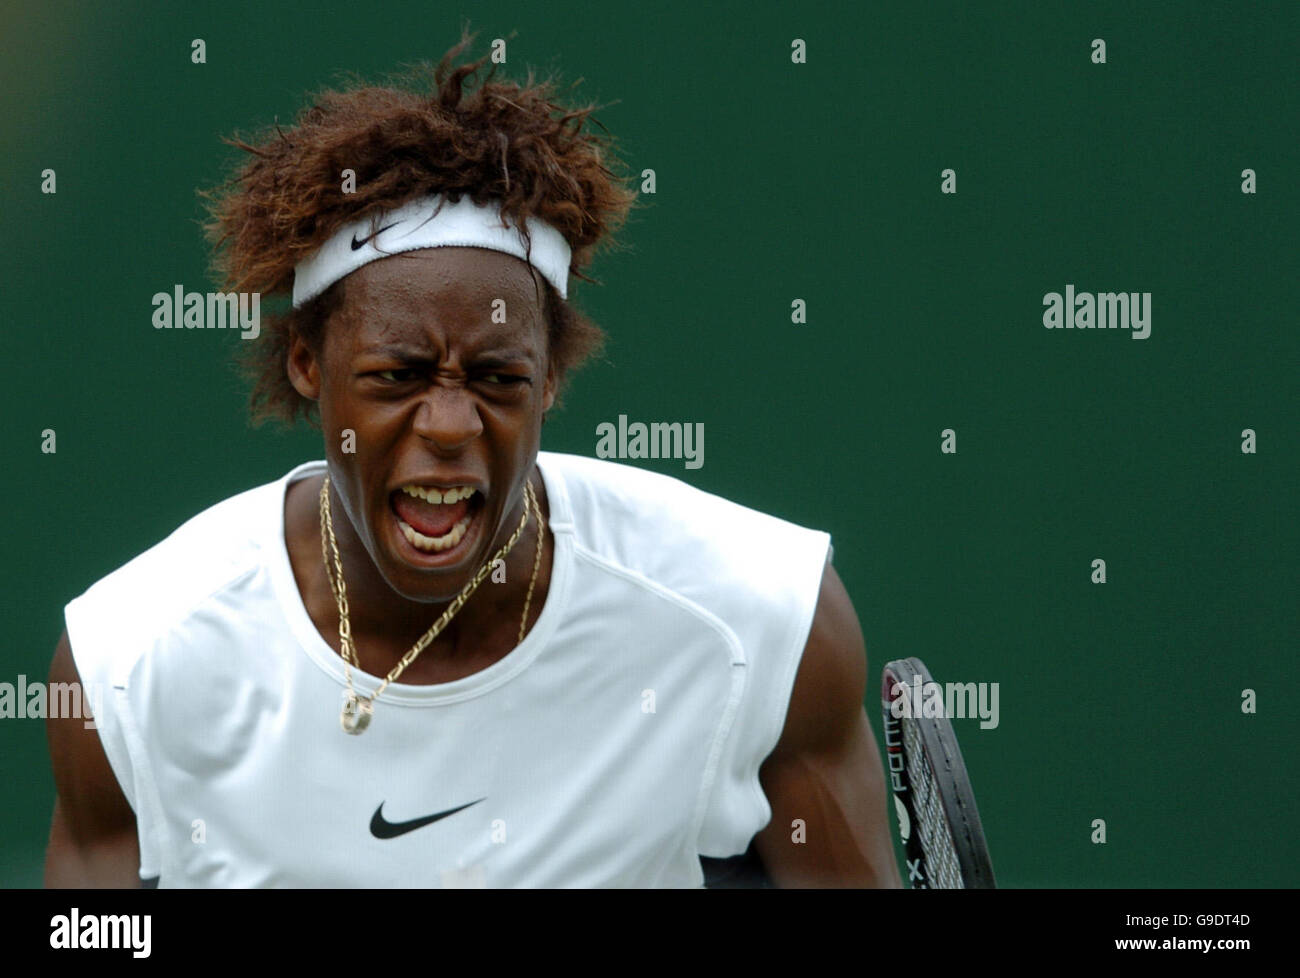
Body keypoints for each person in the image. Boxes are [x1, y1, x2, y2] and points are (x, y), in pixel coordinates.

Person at [44, 34, 901, 888]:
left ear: (552, 378)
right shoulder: (134, 662)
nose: (451, 425)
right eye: (397, 376)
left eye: (496, 377)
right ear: (309, 363)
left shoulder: (761, 622)